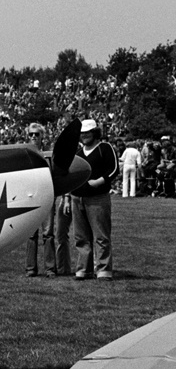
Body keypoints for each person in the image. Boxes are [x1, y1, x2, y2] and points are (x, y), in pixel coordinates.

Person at [71, 118, 117, 280]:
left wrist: (99, 182)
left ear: (95, 133)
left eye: (87, 133)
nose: (84, 136)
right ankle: (84, 269)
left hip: (98, 198)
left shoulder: (104, 148)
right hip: (77, 198)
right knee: (81, 237)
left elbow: (114, 169)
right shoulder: (78, 153)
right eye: (82, 133)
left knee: (101, 235)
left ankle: (103, 269)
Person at [25, 123, 71, 277]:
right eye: (31, 134)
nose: (33, 137)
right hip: (30, 199)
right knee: (31, 235)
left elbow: (58, 177)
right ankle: (31, 268)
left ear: (42, 136)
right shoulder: (24, 154)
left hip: (47, 198)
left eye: (36, 134)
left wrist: (63, 195)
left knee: (48, 234)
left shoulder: (49, 155)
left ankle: (50, 269)